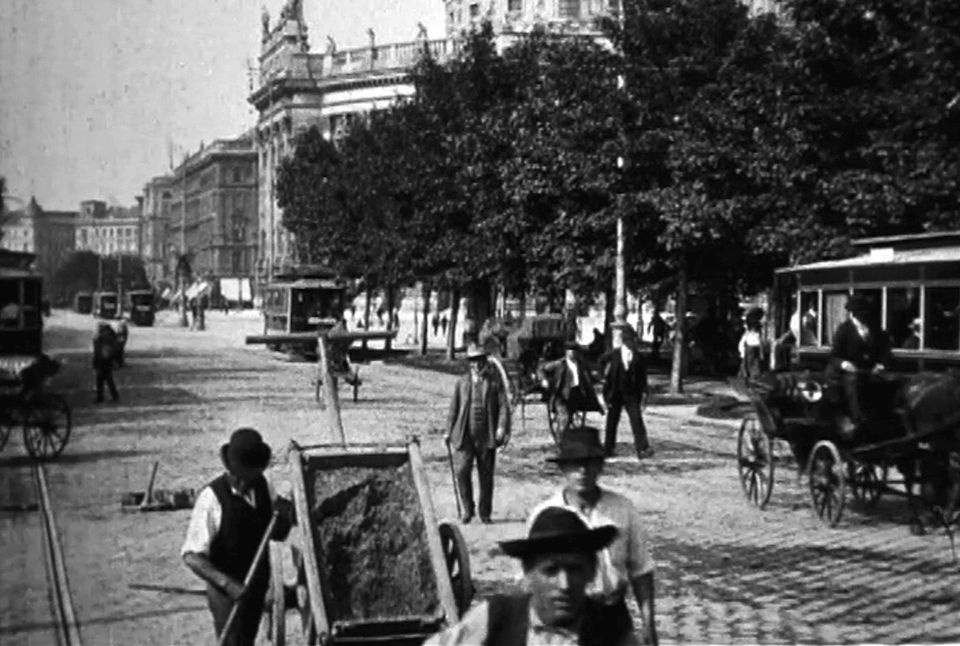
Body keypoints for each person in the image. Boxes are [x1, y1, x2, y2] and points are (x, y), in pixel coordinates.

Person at [424, 505, 639, 646]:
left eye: (575, 570)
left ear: (591, 571)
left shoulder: (611, 632)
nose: (564, 584)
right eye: (551, 571)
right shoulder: (496, 618)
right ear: (528, 574)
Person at [529, 427, 657, 645]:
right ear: (563, 468)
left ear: (600, 466)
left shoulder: (622, 509)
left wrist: (648, 624)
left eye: (589, 463)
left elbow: (641, 570)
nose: (582, 471)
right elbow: (530, 580)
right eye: (574, 464)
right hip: (566, 621)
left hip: (613, 616)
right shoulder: (544, 516)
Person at [182, 429, 293, 646]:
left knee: (247, 641)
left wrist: (285, 517)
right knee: (232, 643)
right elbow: (191, 556)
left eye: (251, 477)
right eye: (240, 477)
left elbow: (276, 534)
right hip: (225, 592)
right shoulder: (211, 499)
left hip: (256, 585)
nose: (245, 484)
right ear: (231, 469)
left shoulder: (263, 486)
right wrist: (227, 583)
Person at [445, 343, 509, 524]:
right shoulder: (462, 382)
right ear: (469, 363)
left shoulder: (494, 382)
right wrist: (447, 431)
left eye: (479, 361)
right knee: (462, 471)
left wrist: (501, 427)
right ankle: (468, 509)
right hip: (465, 435)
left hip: (486, 435)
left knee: (486, 476)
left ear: (485, 362)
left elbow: (504, 406)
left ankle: (485, 513)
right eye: (473, 361)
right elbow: (453, 409)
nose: (477, 365)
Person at [826, 294, 892, 430]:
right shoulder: (844, 330)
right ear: (854, 314)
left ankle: (887, 420)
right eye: (860, 313)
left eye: (865, 312)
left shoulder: (875, 328)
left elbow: (885, 349)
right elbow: (834, 356)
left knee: (889, 383)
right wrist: (845, 364)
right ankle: (858, 419)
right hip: (849, 372)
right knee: (853, 381)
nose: (864, 316)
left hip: (871, 370)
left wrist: (881, 364)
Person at [599, 326, 651, 459]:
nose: (631, 343)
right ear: (623, 342)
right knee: (612, 421)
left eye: (632, 341)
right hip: (615, 392)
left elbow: (642, 376)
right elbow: (601, 361)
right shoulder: (614, 354)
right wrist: (603, 377)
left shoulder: (639, 357)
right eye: (628, 341)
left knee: (636, 420)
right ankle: (608, 448)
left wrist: (644, 392)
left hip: (632, 394)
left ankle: (642, 448)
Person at [539, 340, 605, 435]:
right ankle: (562, 439)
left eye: (575, 351)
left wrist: (599, 378)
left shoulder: (582, 365)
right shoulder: (560, 364)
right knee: (564, 418)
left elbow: (591, 374)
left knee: (571, 417)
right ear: (566, 352)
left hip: (576, 394)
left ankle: (571, 436)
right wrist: (544, 380)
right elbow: (542, 369)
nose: (572, 353)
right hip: (561, 396)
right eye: (570, 351)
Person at [93, 322, 119, 403]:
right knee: (107, 379)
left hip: (104, 360)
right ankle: (113, 396)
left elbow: (98, 351)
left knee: (102, 380)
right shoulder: (109, 337)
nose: (99, 330)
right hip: (106, 360)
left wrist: (95, 362)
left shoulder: (103, 338)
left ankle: (101, 397)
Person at [737, 309, 766, 379]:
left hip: (751, 349)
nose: (764, 320)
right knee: (754, 369)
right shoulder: (755, 332)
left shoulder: (752, 331)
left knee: (751, 368)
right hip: (753, 350)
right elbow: (759, 342)